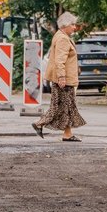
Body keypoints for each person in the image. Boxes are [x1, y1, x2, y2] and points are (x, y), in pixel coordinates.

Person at [32, 11, 86, 142]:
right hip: (63, 79)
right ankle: (39, 123)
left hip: (64, 78)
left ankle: (67, 134)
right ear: (65, 25)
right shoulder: (62, 38)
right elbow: (59, 60)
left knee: (67, 107)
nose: (75, 27)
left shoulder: (61, 36)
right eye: (72, 24)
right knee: (59, 107)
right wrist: (62, 77)